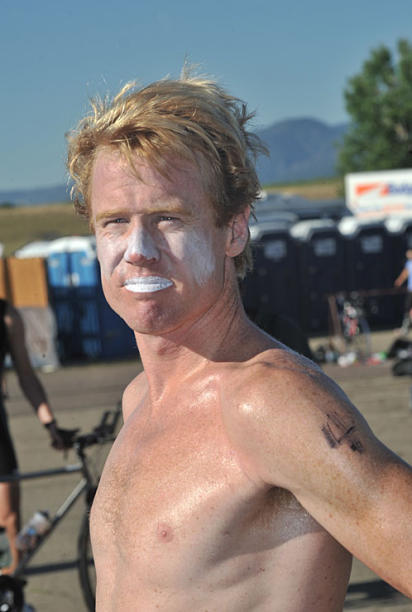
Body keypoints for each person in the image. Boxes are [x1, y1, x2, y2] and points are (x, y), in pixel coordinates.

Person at [67, 72, 412, 611]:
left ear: (233, 229)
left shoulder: (269, 401)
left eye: (167, 218)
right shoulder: (140, 399)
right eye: (114, 222)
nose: (137, 249)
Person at [0, 299, 67, 574]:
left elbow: (26, 375)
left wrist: (49, 423)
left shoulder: (7, 316)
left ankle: (10, 585)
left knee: (7, 521)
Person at [394, 248, 412, 335]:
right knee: (407, 308)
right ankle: (405, 328)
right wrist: (399, 281)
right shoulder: (408, 263)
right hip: (410, 290)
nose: (408, 255)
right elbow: (405, 274)